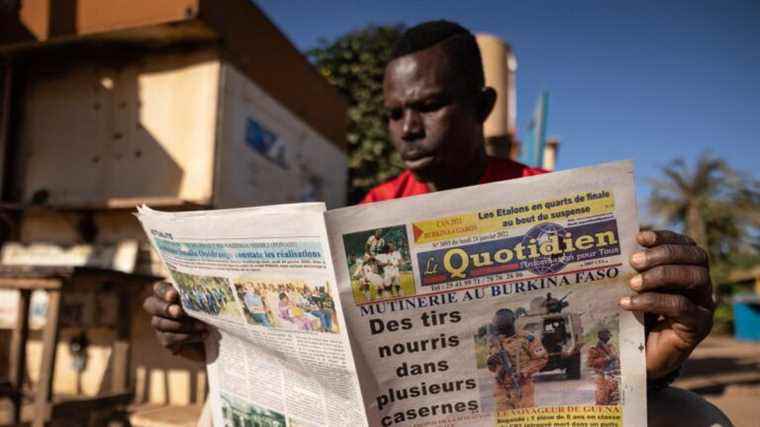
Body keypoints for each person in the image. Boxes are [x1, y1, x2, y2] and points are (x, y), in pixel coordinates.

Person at [144, 20, 727, 426]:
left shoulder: (543, 199)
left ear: (482, 104)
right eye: (395, 113)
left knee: (701, 420)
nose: (407, 129)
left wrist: (653, 367)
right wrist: (206, 336)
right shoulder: (370, 209)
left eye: (427, 106)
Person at [486, 308, 548, 410]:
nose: (499, 329)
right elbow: (492, 368)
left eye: (502, 326)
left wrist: (524, 372)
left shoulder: (527, 338)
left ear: (511, 324)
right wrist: (490, 362)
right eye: (498, 325)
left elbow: (542, 358)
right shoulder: (495, 341)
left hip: (522, 386)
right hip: (501, 389)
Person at [587, 328, 620, 405]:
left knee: (613, 397)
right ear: (602, 336)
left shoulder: (610, 346)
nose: (609, 337)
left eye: (609, 335)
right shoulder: (594, 348)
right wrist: (606, 359)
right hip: (601, 375)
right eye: (607, 335)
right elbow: (591, 363)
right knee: (602, 398)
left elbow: (616, 358)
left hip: (612, 374)